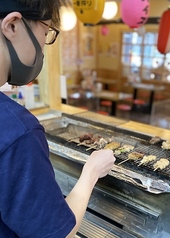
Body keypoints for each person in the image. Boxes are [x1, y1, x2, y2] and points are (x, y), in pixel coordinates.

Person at [0, 0, 116, 237]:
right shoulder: (17, 131)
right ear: (12, 25)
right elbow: (58, 234)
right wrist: (92, 171)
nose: (43, 46)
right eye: (46, 32)